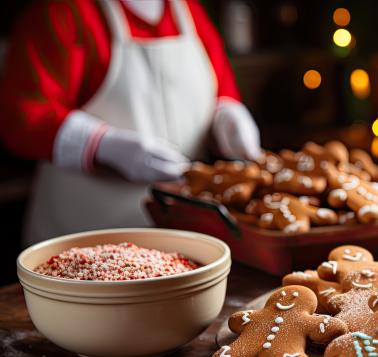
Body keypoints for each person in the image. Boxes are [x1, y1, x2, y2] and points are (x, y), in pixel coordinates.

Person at [0, 0, 260, 244]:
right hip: (84, 232)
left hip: (183, 236)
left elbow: (218, 87)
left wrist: (226, 113)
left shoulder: (188, 10)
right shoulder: (65, 11)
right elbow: (21, 117)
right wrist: (102, 145)